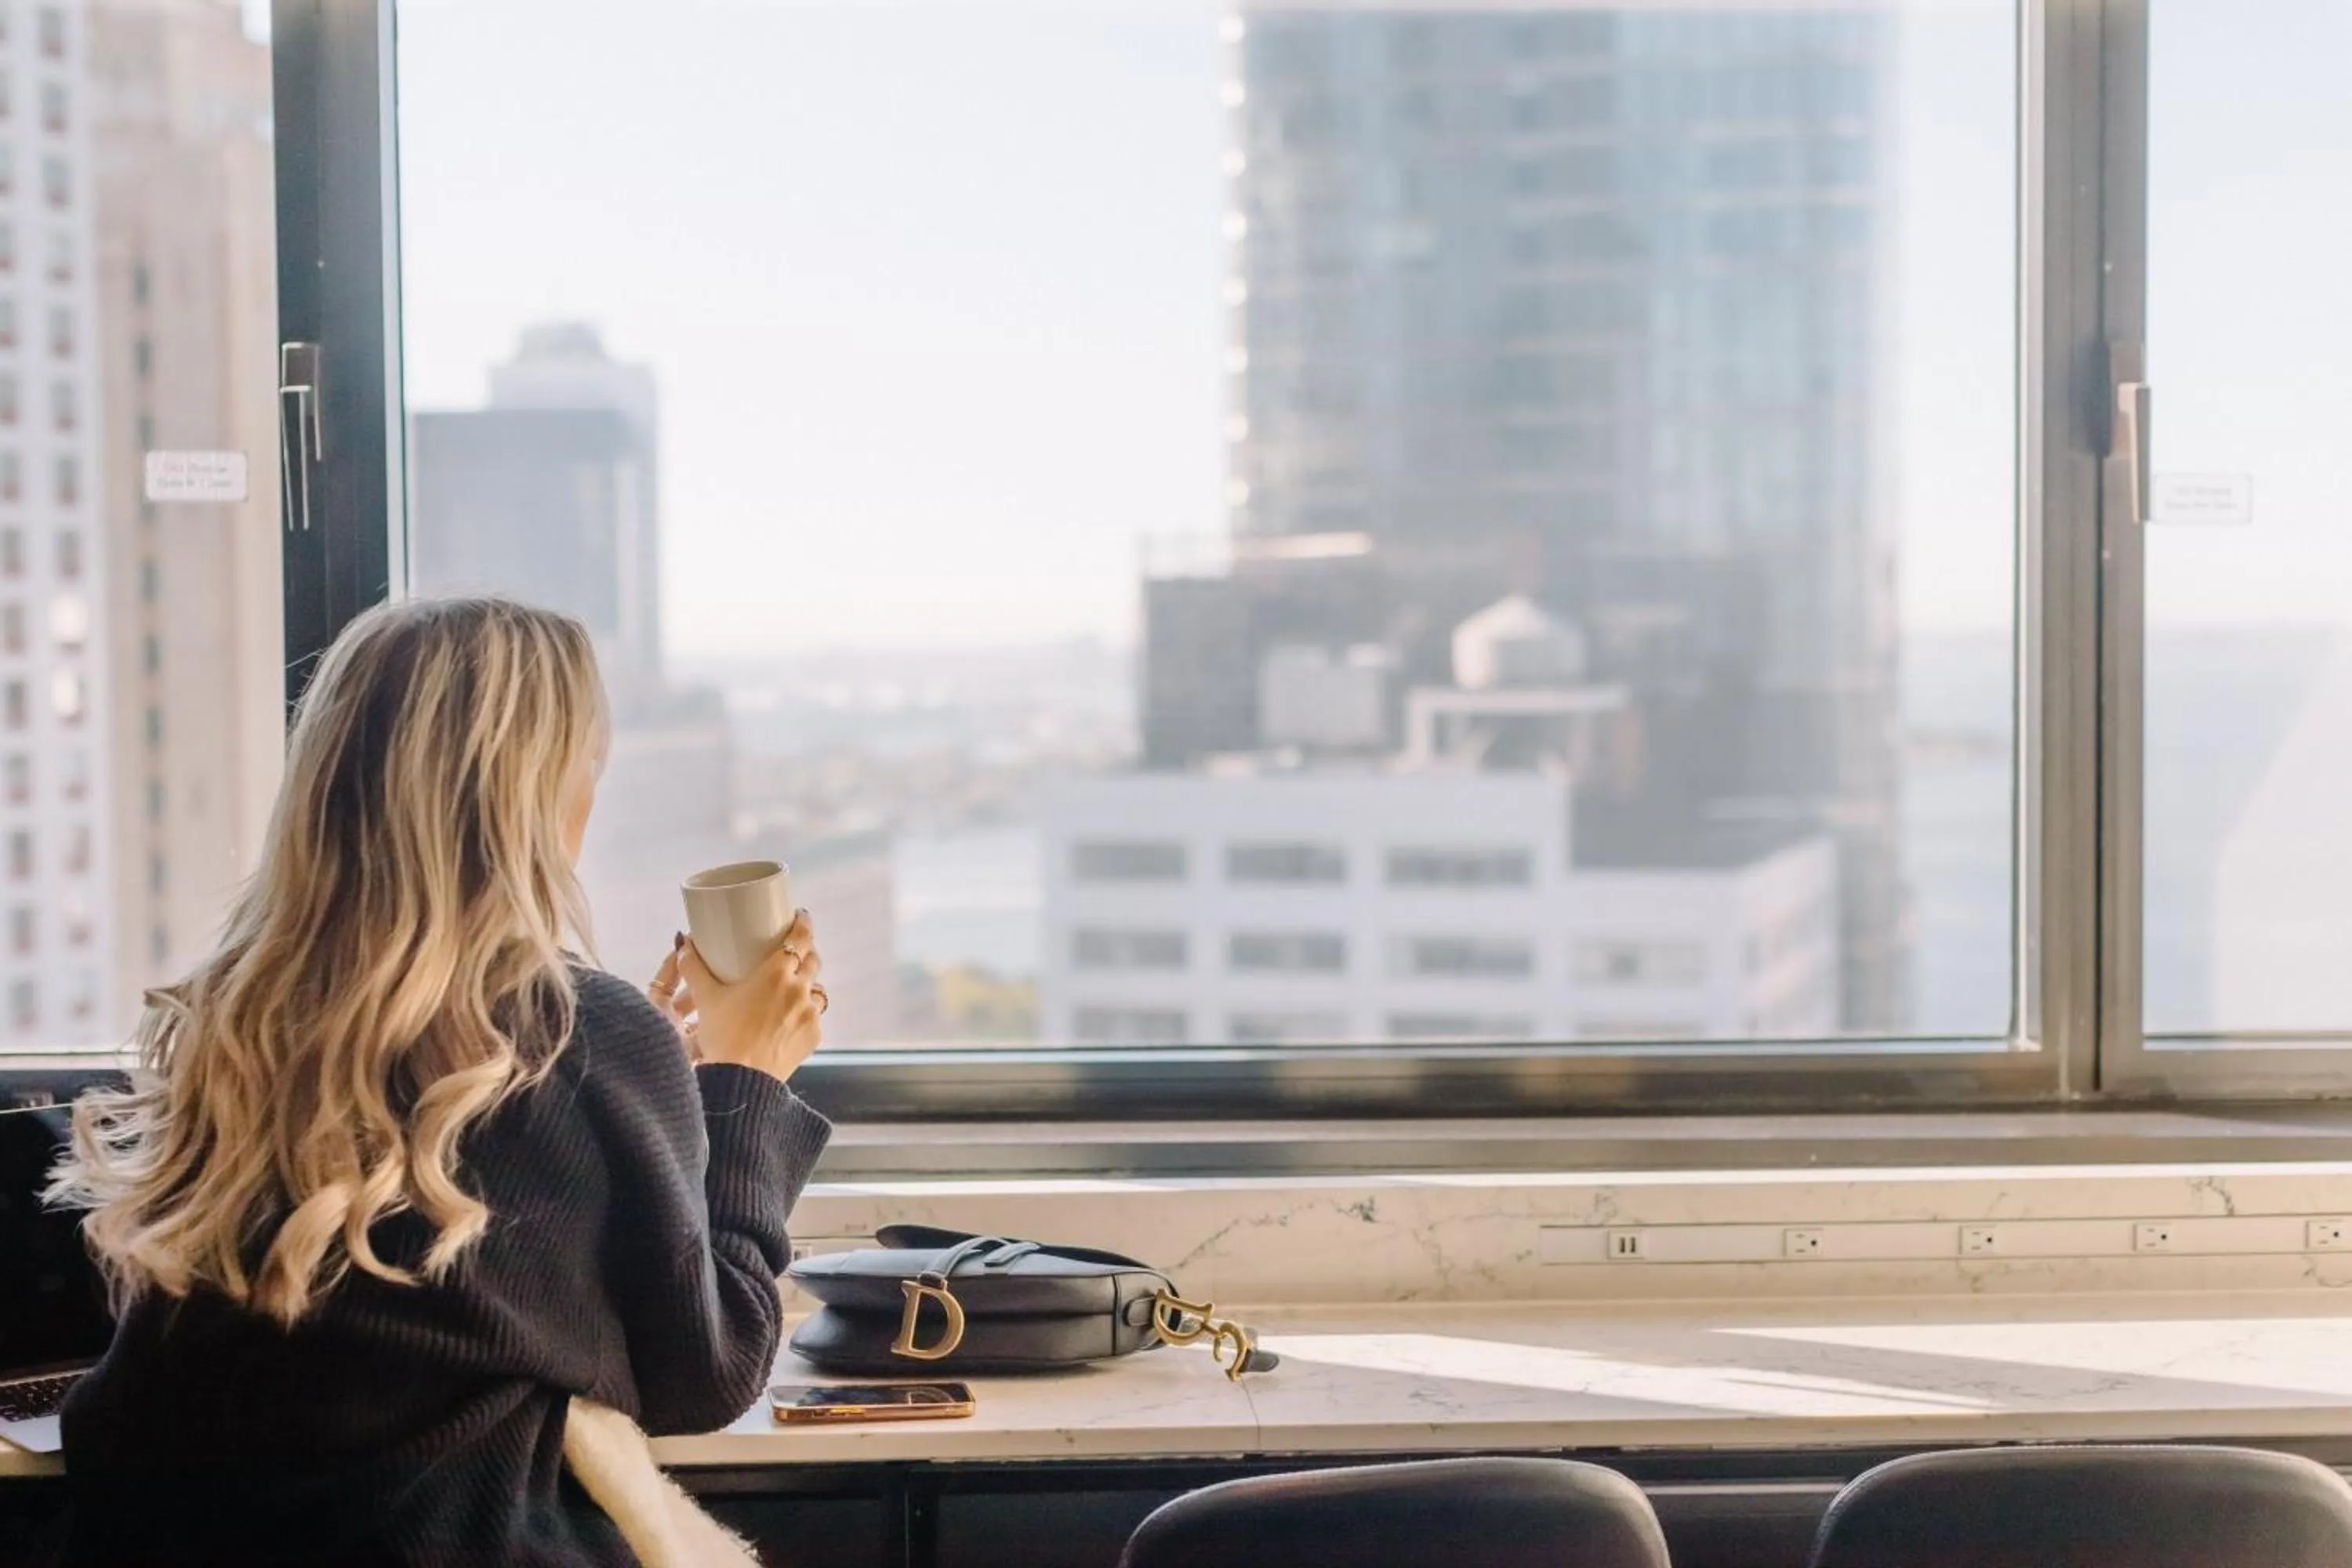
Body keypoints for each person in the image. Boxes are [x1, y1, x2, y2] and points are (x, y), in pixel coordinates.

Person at [45, 597, 830, 1564]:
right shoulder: (584, 1037)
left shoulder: (231, 1021)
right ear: (533, 797)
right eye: (591, 765)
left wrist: (653, 1076)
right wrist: (744, 1085)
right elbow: (707, 1375)